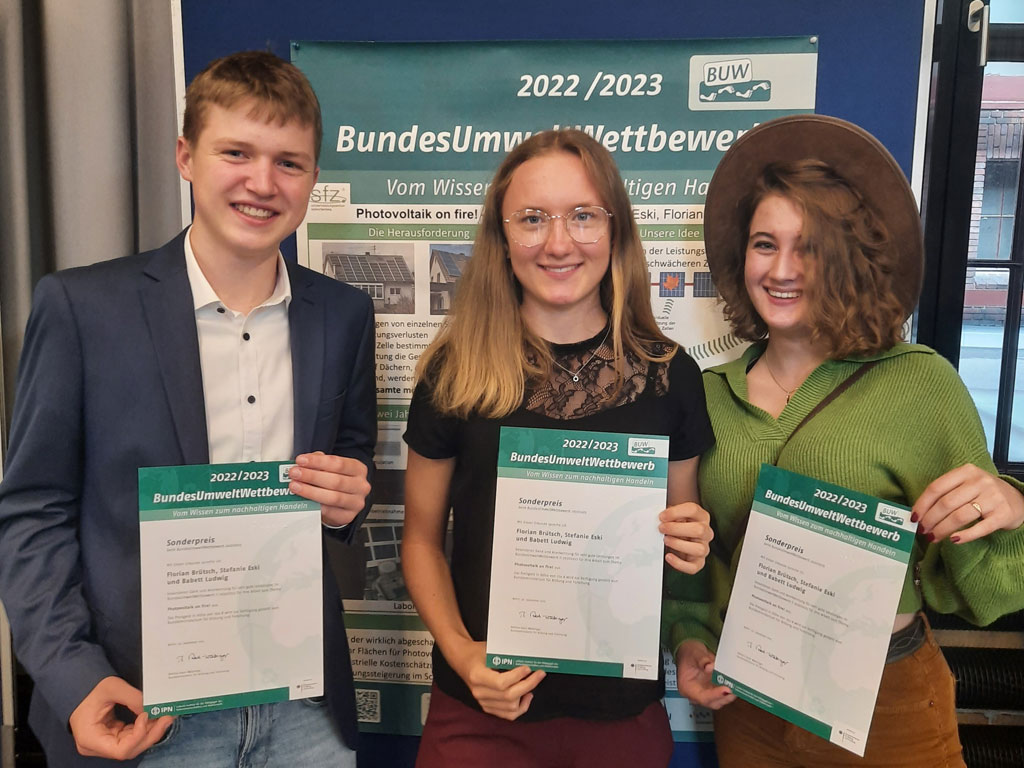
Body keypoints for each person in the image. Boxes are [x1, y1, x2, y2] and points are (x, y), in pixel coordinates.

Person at [0, 51, 376, 766]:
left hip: (303, 711)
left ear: (312, 178)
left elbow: (350, 464)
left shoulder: (344, 315)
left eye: (289, 163)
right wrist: (75, 678)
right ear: (185, 157)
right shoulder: (82, 308)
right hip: (141, 709)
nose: (262, 183)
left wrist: (345, 500)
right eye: (236, 153)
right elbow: (31, 513)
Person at [663, 114, 1024, 767]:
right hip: (750, 702)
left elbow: (989, 589)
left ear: (849, 257)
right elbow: (697, 562)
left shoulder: (918, 383)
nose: (783, 269)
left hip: (887, 703)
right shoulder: (709, 395)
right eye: (765, 244)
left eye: (809, 247)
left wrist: (1013, 505)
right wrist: (689, 639)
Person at [401, 128, 715, 767]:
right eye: (532, 219)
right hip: (482, 714)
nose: (558, 242)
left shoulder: (671, 375)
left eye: (582, 216)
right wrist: (464, 656)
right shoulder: (453, 373)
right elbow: (421, 541)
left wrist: (690, 541)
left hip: (620, 719)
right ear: (501, 239)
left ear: (616, 230)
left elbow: (679, 543)